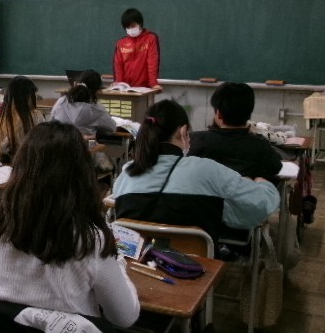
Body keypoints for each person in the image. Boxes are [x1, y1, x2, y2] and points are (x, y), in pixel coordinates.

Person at [0, 121, 150, 333]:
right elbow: (124, 317)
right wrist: (119, 265)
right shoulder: (91, 240)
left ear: (20, 170)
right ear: (81, 175)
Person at [113, 99, 280, 242]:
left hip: (136, 266)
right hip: (194, 267)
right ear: (183, 132)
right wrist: (264, 185)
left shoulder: (126, 174)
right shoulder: (206, 170)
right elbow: (260, 205)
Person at [189, 82, 282, 181]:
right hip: (245, 190)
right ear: (249, 114)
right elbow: (276, 167)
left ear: (219, 114)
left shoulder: (194, 141)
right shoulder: (260, 146)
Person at [0, 76, 44, 163]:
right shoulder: (34, 116)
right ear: (27, 96)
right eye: (33, 93)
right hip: (22, 163)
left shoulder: (0, 117)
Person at [50, 69, 116, 137]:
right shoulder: (96, 108)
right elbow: (112, 128)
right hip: (83, 143)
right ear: (97, 90)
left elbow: (51, 122)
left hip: (59, 141)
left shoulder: (61, 101)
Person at [113, 8, 161, 89]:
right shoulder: (121, 43)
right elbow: (118, 66)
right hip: (125, 88)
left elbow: (152, 62)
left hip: (145, 88)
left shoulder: (151, 38)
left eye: (133, 25)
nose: (131, 29)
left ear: (140, 23)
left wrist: (153, 83)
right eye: (128, 27)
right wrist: (119, 84)